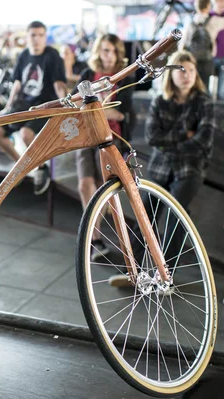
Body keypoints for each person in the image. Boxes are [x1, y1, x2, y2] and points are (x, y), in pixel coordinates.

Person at [113, 50, 214, 288]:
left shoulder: (203, 102)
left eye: (190, 70)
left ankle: (164, 276)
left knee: (174, 217)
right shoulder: (160, 100)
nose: (186, 75)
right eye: (181, 71)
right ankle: (134, 271)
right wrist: (184, 135)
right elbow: (151, 137)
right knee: (143, 213)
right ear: (171, 74)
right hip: (161, 167)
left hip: (189, 169)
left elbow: (203, 140)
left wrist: (170, 141)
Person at [0, 21, 68, 195]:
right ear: (27, 36)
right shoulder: (24, 55)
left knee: (26, 134)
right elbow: (17, 83)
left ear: (45, 37)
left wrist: (64, 103)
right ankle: (20, 167)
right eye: (33, 35)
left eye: (40, 35)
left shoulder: (52, 55)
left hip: (44, 106)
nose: (37, 39)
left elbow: (59, 83)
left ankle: (41, 168)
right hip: (23, 105)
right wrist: (7, 107)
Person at [74, 34, 135, 266]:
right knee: (84, 184)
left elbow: (122, 112)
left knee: (106, 190)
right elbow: (75, 103)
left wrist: (92, 110)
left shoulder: (123, 77)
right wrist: (99, 111)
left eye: (111, 50)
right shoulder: (88, 75)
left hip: (112, 138)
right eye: (103, 50)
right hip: (86, 136)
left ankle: (116, 243)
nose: (106, 55)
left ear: (118, 53)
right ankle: (94, 238)